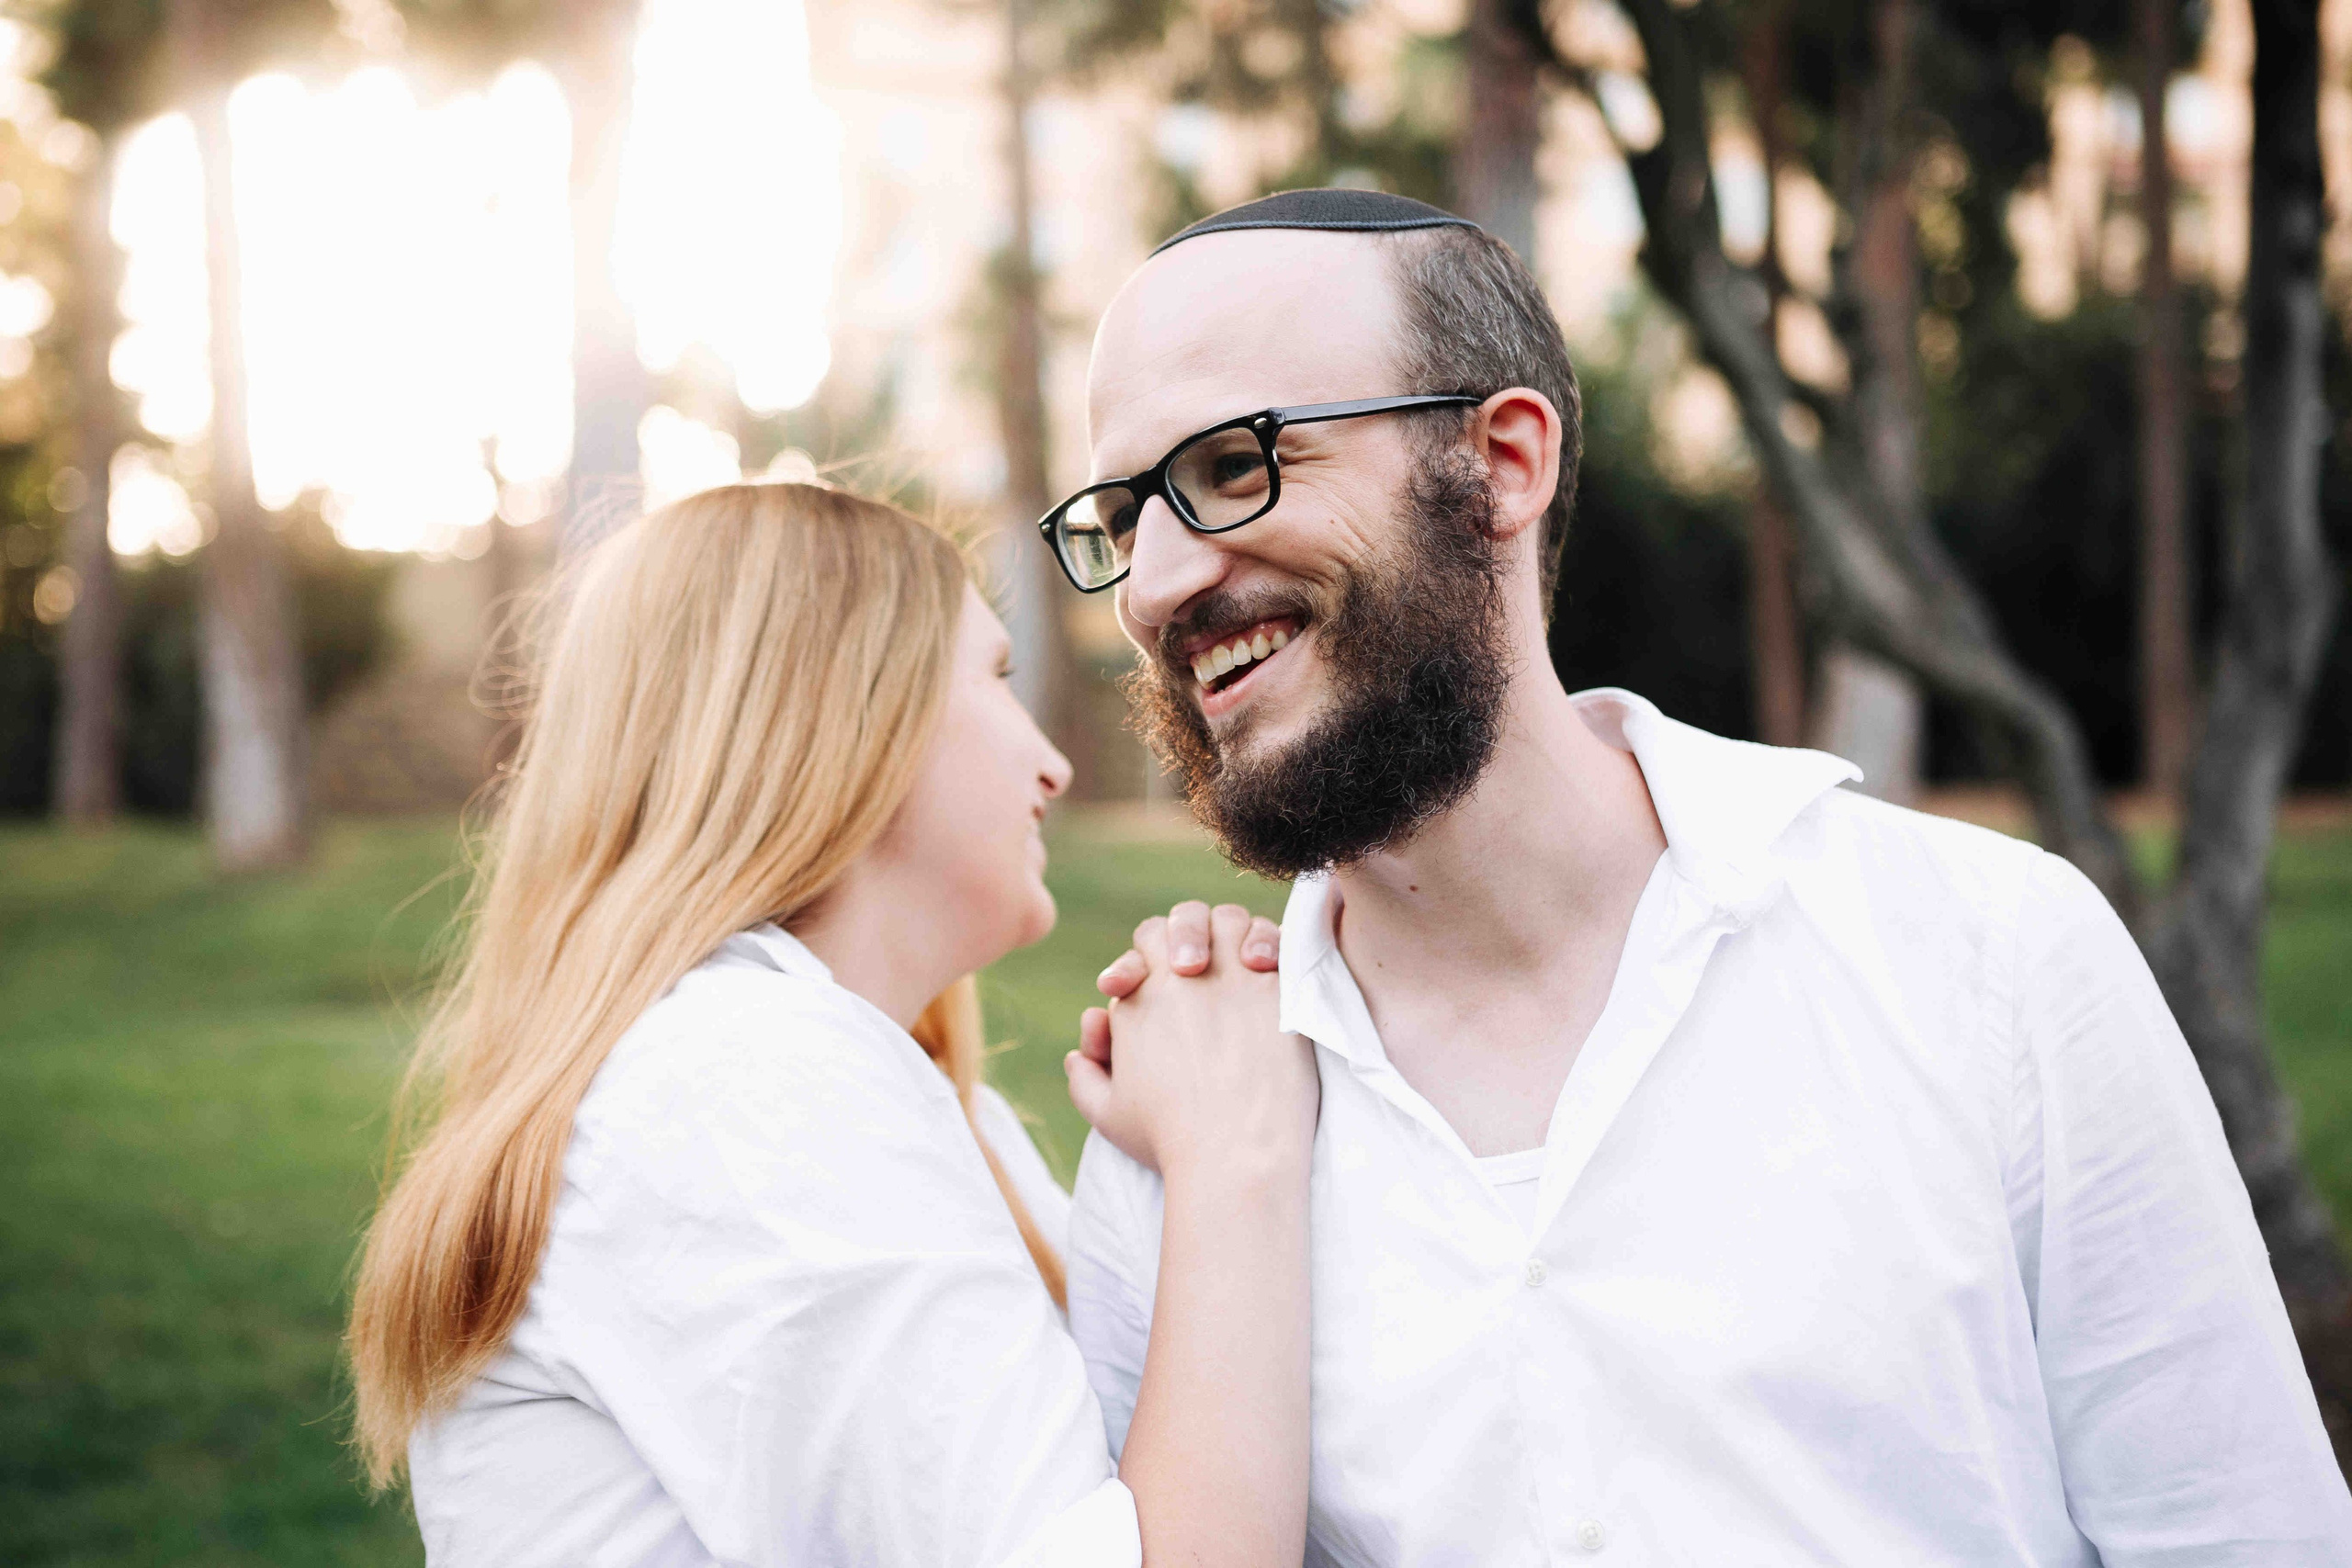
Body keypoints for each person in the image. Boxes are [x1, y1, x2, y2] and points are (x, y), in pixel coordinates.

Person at [1050, 189, 2352, 1563]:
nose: (1151, 583)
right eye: (1127, 513)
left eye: (1234, 463)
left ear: (1502, 460)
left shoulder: (1993, 962)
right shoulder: (1184, 1130)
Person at [345, 482, 1318, 1567]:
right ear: (847, 724)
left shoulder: (859, 1088)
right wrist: (1237, 1150)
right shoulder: (742, 1083)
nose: (1053, 764)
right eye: (992, 679)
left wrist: (1169, 1162)